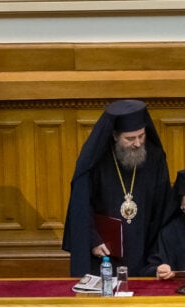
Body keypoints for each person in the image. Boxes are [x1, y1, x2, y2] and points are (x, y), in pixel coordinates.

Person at [62, 99, 175, 277]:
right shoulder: (96, 160)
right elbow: (81, 205)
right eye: (130, 138)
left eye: (141, 136)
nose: (138, 143)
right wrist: (93, 239)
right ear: (115, 135)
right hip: (104, 251)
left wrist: (157, 251)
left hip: (145, 245)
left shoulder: (155, 157)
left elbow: (162, 206)